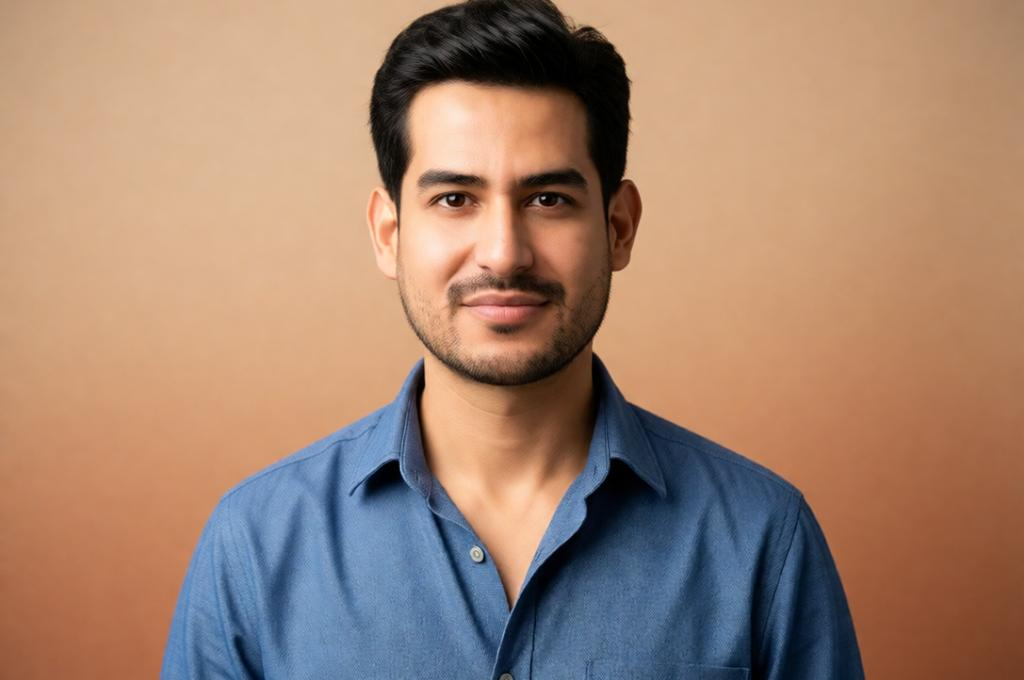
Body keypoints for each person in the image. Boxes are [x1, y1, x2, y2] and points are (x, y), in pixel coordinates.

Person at [161, 1, 864, 678]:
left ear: (619, 227)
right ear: (388, 233)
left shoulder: (763, 540)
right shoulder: (255, 545)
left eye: (548, 199)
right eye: (454, 199)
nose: (504, 253)